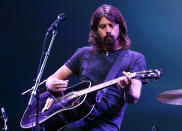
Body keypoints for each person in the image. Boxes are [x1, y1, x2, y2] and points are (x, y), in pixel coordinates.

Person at [46, 4, 147, 131]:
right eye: (102, 26)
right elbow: (52, 79)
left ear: (120, 27)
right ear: (96, 31)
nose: (108, 30)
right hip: (73, 123)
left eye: (112, 25)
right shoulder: (83, 53)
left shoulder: (135, 58)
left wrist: (127, 88)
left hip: (106, 127)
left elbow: (133, 98)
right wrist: (50, 84)